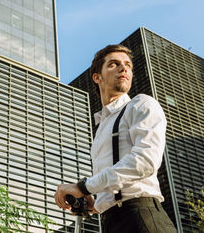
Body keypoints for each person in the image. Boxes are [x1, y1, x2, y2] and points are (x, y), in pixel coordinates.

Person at [54, 45, 176, 232]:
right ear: (97, 77)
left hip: (141, 218)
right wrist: (96, 202)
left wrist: (84, 186)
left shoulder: (141, 104)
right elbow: (116, 181)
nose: (124, 68)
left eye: (127, 64)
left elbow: (144, 161)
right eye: (114, 64)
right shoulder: (102, 127)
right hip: (111, 221)